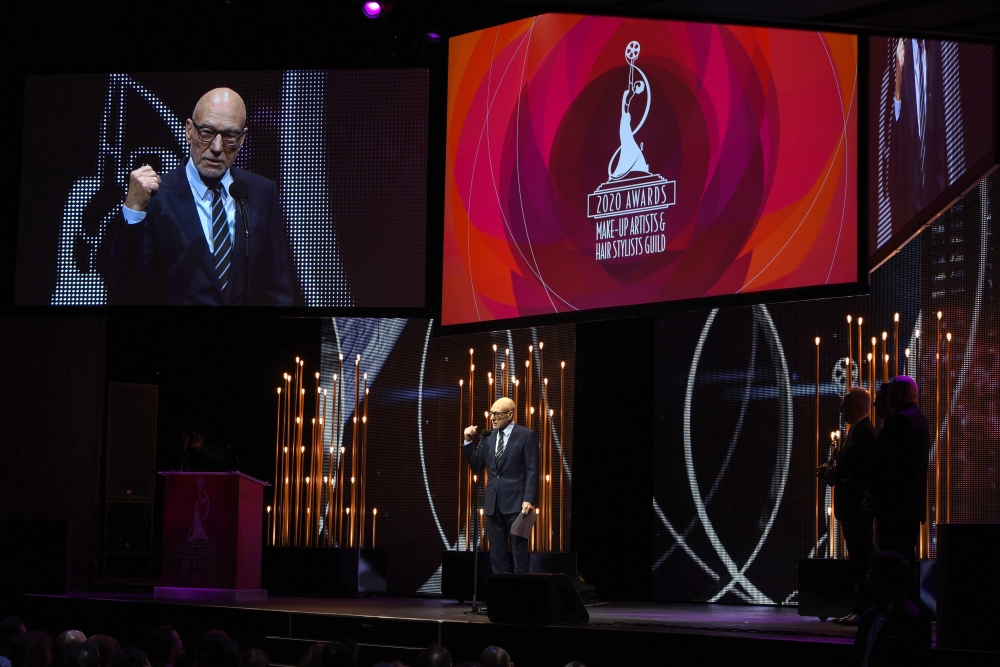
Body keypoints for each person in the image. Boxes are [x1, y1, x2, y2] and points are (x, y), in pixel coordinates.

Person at [102, 87, 295, 306]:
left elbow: (278, 290)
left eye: (230, 136)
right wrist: (133, 210)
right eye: (207, 132)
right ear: (189, 130)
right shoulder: (156, 196)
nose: (216, 147)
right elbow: (126, 288)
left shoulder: (261, 192)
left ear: (242, 140)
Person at [818, 387, 876, 625]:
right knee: (859, 559)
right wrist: (832, 473)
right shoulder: (857, 432)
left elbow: (863, 475)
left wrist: (836, 479)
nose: (840, 408)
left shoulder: (864, 434)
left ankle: (863, 610)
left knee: (862, 559)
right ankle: (861, 608)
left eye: (845, 404)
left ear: (857, 406)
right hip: (851, 507)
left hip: (856, 509)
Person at [463, 398, 538, 574]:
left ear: (510, 415)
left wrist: (529, 499)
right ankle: (503, 597)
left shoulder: (527, 435)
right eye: (491, 414)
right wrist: (468, 442)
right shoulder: (488, 438)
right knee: (497, 555)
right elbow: (477, 465)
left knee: (519, 553)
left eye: (497, 414)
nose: (493, 418)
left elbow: (532, 470)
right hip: (492, 503)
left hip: (519, 505)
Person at [869, 376, 931, 570]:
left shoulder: (900, 422)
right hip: (909, 508)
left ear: (899, 395)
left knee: (894, 563)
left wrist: (874, 494)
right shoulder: (919, 420)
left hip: (895, 508)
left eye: (890, 395)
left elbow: (889, 467)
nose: (886, 400)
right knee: (905, 560)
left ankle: (898, 599)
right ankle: (907, 599)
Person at [851, 550, 930, 666]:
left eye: (873, 578)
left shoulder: (914, 620)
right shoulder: (868, 616)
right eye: (868, 577)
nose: (868, 583)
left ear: (888, 580)